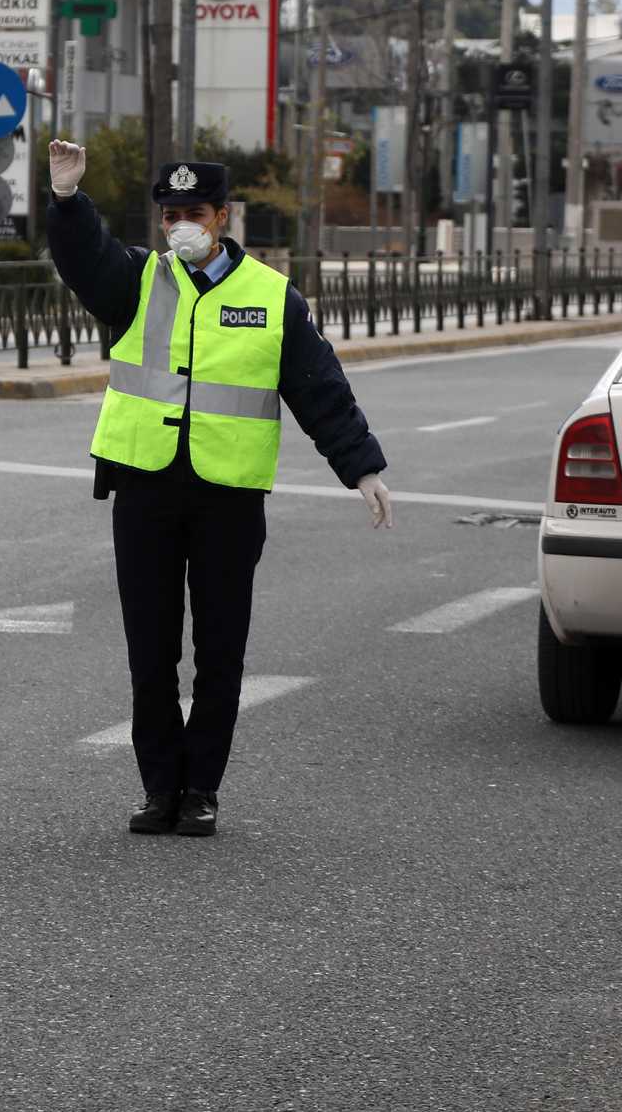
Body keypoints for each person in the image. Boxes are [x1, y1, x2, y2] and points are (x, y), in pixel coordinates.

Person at [45, 143, 392, 840]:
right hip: (144, 486)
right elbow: (86, 261)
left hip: (228, 498)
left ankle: (201, 789)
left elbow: (319, 387)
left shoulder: (270, 296)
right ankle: (157, 789)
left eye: (193, 213)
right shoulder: (139, 281)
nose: (181, 225)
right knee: (150, 652)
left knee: (220, 653)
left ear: (222, 216)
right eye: (170, 214)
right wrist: (66, 201)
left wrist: (362, 466)